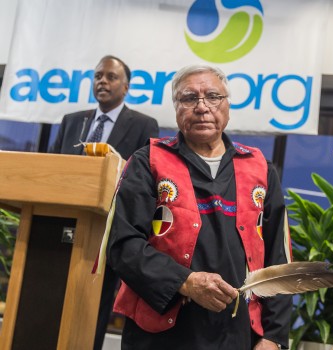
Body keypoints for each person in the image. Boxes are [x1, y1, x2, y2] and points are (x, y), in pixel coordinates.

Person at [106, 64, 292, 349]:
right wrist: (186, 281)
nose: (202, 107)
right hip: (160, 333)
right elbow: (124, 245)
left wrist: (273, 336)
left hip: (238, 332)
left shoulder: (261, 169)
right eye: (189, 98)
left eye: (213, 97)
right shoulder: (148, 161)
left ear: (227, 106)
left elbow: (279, 260)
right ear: (176, 107)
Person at [50, 55, 159, 350]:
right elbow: (52, 166)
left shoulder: (143, 125)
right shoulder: (73, 120)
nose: (102, 82)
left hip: (107, 233)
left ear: (125, 87)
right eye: (98, 76)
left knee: (93, 308)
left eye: (111, 77)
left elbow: (144, 180)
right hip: (61, 226)